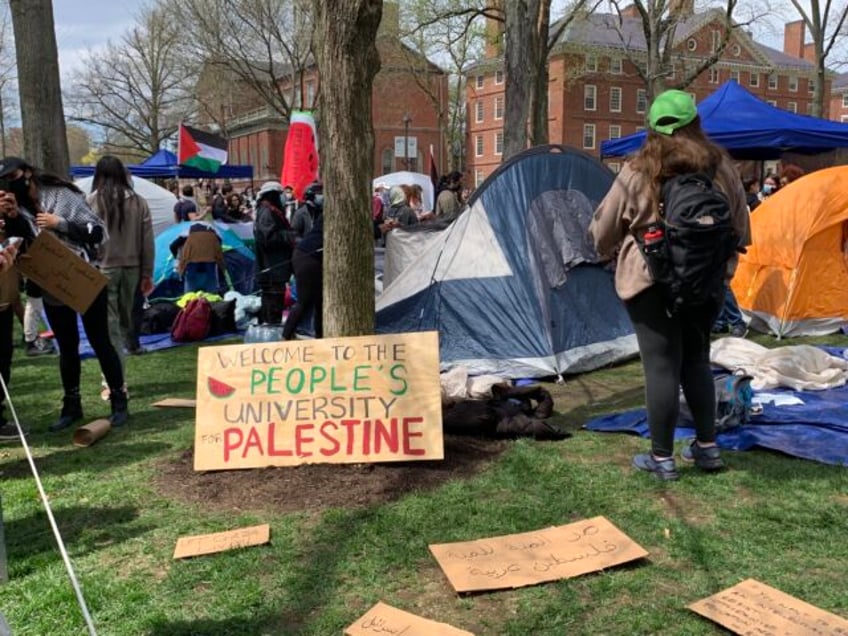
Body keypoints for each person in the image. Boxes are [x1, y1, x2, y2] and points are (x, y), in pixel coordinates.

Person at [589, 90, 750, 481]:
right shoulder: (722, 169)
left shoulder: (637, 171)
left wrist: (611, 247)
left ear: (652, 129)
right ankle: (708, 449)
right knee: (696, 360)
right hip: (707, 284)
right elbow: (742, 232)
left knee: (661, 368)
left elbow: (602, 233)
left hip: (651, 285)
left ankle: (662, 459)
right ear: (696, 123)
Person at [0, 156, 129, 431]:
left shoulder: (61, 195)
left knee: (100, 341)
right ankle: (72, 404)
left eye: (14, 176)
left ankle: (119, 400)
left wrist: (61, 223)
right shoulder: (15, 208)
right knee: (66, 346)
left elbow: (97, 232)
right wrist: (11, 218)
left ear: (27, 171)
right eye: (5, 180)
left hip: (82, 274)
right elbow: (21, 247)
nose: (12, 183)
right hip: (50, 281)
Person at [87, 156, 155, 399]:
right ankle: (116, 381)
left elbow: (86, 240)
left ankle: (114, 382)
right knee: (123, 324)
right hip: (132, 268)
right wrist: (147, 272)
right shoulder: (138, 202)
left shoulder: (92, 201)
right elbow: (147, 241)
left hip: (102, 269)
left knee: (111, 328)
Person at [283, 182, 324, 340]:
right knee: (305, 300)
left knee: (320, 300)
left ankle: (321, 336)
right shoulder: (302, 213)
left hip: (313, 257)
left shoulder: (319, 212)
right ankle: (286, 335)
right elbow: (294, 233)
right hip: (307, 257)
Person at [253, 181, 296, 324]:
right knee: (272, 301)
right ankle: (271, 327)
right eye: (280, 194)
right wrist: (289, 236)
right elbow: (268, 238)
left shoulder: (271, 210)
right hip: (271, 267)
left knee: (275, 300)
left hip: (276, 266)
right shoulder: (267, 211)